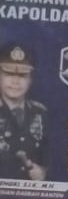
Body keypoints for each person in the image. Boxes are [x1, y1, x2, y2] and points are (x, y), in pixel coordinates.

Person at [0, 42, 48, 181]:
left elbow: (50, 155)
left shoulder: (41, 113)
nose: (15, 81)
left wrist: (44, 171)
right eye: (9, 74)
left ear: (30, 79)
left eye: (22, 75)